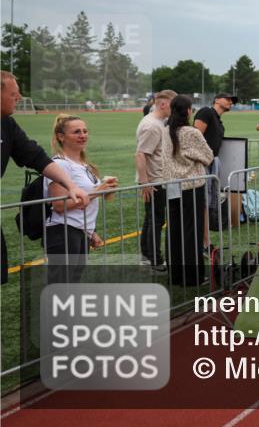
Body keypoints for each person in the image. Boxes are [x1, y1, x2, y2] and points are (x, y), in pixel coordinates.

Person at [1, 72, 89, 285]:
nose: (19, 98)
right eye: (14, 94)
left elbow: (37, 158)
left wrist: (70, 185)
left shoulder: (7, 125)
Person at [44, 114, 119, 283]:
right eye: (76, 132)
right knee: (61, 284)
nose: (83, 135)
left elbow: (86, 200)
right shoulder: (60, 164)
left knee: (72, 282)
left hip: (80, 232)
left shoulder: (84, 165)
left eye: (85, 131)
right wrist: (97, 191)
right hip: (62, 232)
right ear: (61, 137)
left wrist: (91, 232)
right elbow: (58, 205)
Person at [164, 95, 214, 286]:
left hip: (172, 185)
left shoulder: (165, 130)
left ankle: (175, 275)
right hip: (191, 186)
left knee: (174, 230)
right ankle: (193, 277)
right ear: (187, 111)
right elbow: (208, 156)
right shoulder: (190, 132)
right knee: (192, 232)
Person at [135, 89, 176, 269]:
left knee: (152, 218)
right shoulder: (152, 125)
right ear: (162, 104)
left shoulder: (158, 122)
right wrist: (145, 182)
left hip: (158, 178)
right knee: (156, 220)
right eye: (173, 105)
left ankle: (146, 254)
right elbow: (141, 154)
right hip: (155, 180)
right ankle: (155, 259)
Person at [194, 93, 236, 251]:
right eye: (227, 99)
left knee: (208, 202)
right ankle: (204, 242)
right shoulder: (206, 112)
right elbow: (195, 136)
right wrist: (203, 160)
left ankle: (205, 241)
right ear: (217, 100)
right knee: (203, 202)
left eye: (232, 101)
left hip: (212, 162)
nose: (230, 102)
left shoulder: (218, 120)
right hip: (203, 163)